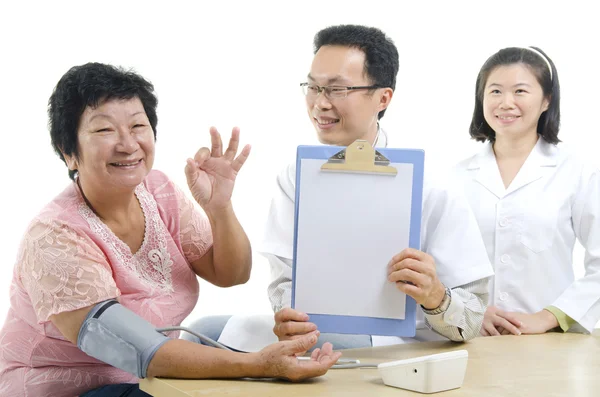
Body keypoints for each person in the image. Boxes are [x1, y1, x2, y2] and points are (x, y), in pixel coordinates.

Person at [0, 63, 341, 397]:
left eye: (137, 126)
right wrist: (258, 365)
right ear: (69, 153)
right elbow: (138, 349)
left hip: (155, 381)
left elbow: (232, 274)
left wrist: (219, 207)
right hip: (72, 387)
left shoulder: (158, 190)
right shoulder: (54, 236)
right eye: (104, 130)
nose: (128, 144)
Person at [188, 24, 494, 351]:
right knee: (199, 330)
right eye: (313, 87)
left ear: (383, 97)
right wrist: (287, 315)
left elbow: (473, 317)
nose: (320, 103)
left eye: (337, 89)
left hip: (399, 340)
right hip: (318, 330)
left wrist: (435, 295)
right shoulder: (297, 176)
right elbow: (283, 282)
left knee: (245, 329)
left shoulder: (430, 186)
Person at [454, 47, 600, 336]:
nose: (506, 103)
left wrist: (549, 317)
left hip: (550, 343)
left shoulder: (576, 171)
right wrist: (466, 311)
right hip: (472, 339)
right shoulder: (455, 177)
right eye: (495, 91)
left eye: (520, 91)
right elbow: (439, 264)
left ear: (546, 100)